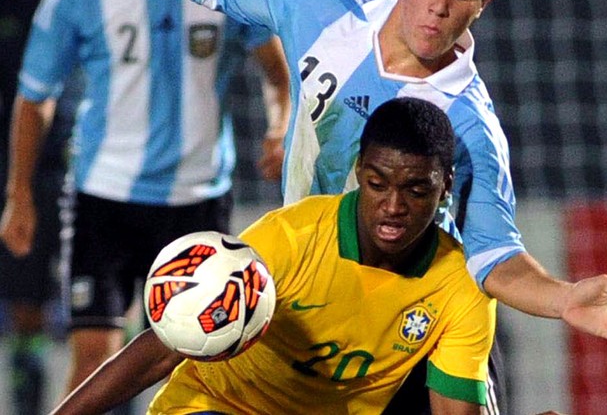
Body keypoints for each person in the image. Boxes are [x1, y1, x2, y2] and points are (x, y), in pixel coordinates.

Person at [169, 0, 607, 412]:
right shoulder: (323, 9)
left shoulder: (470, 129)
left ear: (483, 3)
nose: (439, 6)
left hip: (415, 332)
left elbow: (495, 256)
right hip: (315, 288)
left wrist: (564, 299)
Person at [50, 96, 497, 415]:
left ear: (445, 186)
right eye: (379, 184)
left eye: (416, 190)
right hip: (216, 406)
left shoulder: (462, 286)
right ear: (360, 171)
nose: (394, 206)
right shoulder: (292, 238)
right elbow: (166, 347)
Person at [0, 0, 291, 403]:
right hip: (103, 196)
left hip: (198, 198)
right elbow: (35, 96)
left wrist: (279, 124)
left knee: (203, 361)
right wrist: (19, 195)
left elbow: (278, 73)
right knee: (95, 356)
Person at [0, 0, 79, 413]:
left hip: (93, 172)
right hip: (19, 176)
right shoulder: (7, 4)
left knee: (111, 308)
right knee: (26, 307)